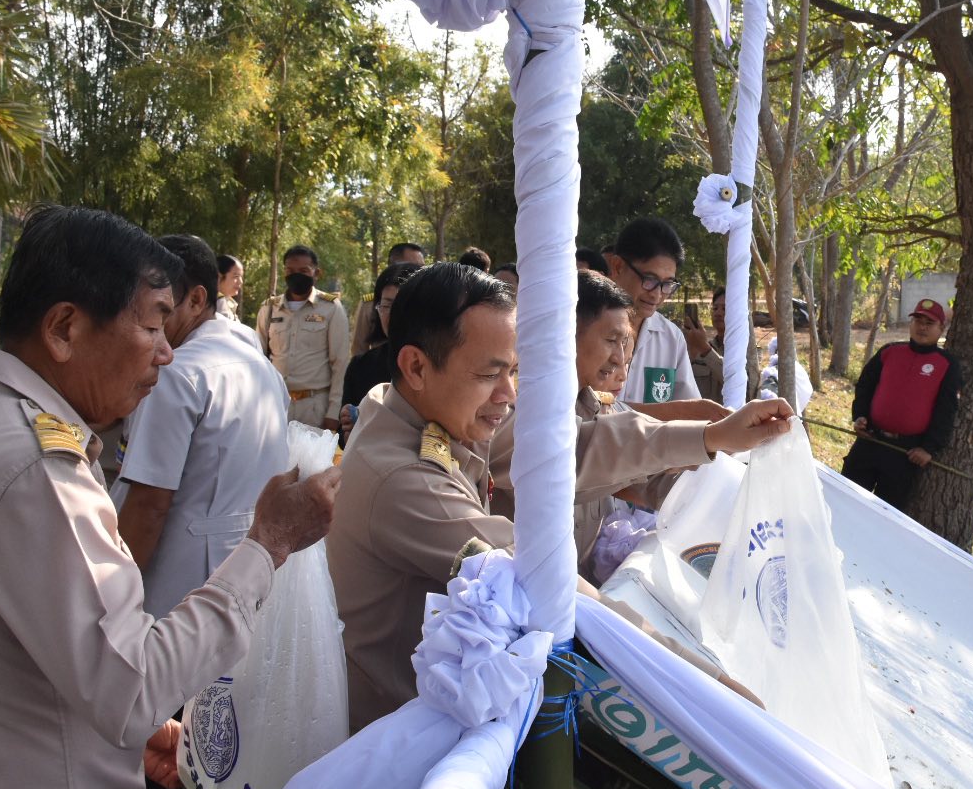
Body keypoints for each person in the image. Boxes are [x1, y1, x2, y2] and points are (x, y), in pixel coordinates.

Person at [0, 205, 338, 789]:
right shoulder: (33, 470)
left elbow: (2, 650)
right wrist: (268, 544)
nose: (166, 351)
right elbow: (132, 686)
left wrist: (100, 736)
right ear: (65, 328)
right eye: (153, 325)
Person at [328, 263, 791, 730]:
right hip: (404, 733)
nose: (509, 394)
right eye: (491, 373)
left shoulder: (427, 408)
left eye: (514, 371)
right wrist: (704, 679)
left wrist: (710, 437)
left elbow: (570, 449)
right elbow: (541, 579)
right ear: (416, 366)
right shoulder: (405, 479)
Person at [111, 235, 291, 789]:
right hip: (248, 582)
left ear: (194, 298)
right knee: (223, 758)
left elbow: (149, 503)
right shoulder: (261, 367)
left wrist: (113, 594)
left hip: (175, 592)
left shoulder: (178, 374)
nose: (152, 327)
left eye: (159, 309)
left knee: (151, 756)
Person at [490, 272, 765, 580]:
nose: (619, 359)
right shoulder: (515, 413)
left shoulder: (600, 406)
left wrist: (740, 495)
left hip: (584, 585)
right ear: (566, 334)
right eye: (611, 341)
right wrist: (709, 437)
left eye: (625, 344)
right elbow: (590, 449)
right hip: (528, 590)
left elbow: (650, 479)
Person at [840, 298, 963, 511]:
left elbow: (947, 410)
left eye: (929, 323)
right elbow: (865, 386)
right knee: (846, 502)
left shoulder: (947, 365)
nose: (922, 327)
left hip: (905, 454)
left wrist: (929, 448)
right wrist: (860, 416)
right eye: (918, 321)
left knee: (886, 514)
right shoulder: (889, 352)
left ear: (941, 328)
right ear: (911, 324)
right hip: (870, 441)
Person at [606, 218, 704, 407]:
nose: (657, 294)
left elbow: (688, 410)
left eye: (667, 284)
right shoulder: (585, 326)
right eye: (649, 279)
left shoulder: (671, 338)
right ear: (618, 266)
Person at [257, 244, 350, 431]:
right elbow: (258, 358)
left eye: (303, 271)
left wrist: (333, 412)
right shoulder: (269, 308)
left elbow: (340, 364)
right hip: (275, 403)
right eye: (290, 271)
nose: (296, 275)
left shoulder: (331, 308)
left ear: (316, 273)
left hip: (314, 406)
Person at [338, 260, 423, 440]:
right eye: (387, 305)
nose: (394, 314)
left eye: (402, 305)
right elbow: (345, 438)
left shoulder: (441, 366)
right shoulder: (361, 367)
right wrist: (349, 428)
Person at [351, 243, 426, 357]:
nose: (418, 272)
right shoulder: (370, 304)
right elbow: (359, 349)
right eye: (413, 266)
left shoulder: (430, 300)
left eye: (422, 267)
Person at [686, 285, 727, 404]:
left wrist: (705, 349)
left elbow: (744, 388)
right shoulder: (700, 347)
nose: (718, 313)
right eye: (715, 308)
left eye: (725, 308)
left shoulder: (745, 351)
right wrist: (691, 353)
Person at [215, 254, 244, 320]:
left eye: (241, 277)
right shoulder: (217, 304)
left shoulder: (228, 302)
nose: (240, 281)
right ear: (219, 277)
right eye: (236, 276)